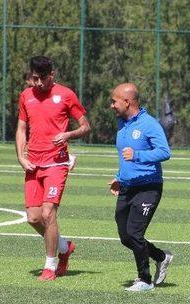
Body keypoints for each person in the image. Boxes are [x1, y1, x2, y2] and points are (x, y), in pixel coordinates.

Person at [15, 55, 91, 281]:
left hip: (57, 163)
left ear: (52, 75)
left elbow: (86, 127)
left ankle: (50, 266)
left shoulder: (66, 95)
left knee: (48, 213)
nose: (39, 84)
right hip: (33, 164)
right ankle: (65, 247)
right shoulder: (26, 96)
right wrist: (21, 157)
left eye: (43, 79)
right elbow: (21, 129)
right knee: (33, 218)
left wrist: (69, 134)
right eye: (35, 78)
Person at [109, 83, 174, 291]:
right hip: (127, 187)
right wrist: (119, 178)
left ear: (127, 102)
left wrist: (138, 156)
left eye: (114, 101)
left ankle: (144, 280)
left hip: (149, 186)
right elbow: (124, 157)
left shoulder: (149, 124)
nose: (111, 105)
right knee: (125, 237)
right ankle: (161, 257)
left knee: (135, 233)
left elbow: (164, 152)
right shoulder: (121, 123)